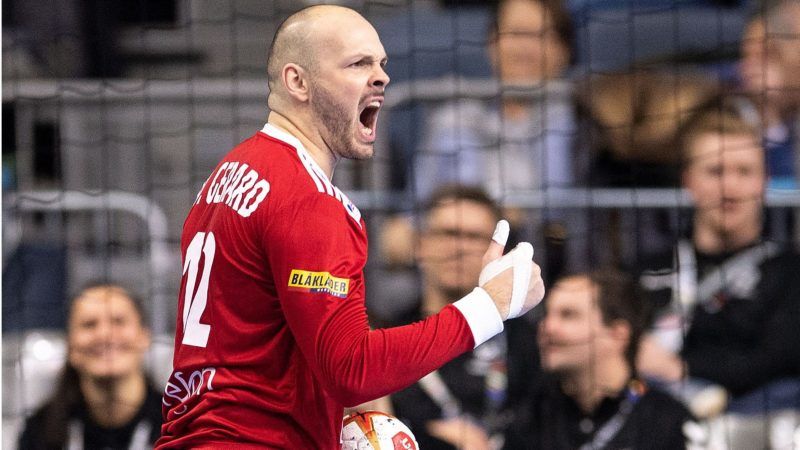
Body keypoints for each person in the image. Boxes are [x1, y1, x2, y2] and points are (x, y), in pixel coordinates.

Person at [155, 5, 545, 449]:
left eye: (382, 64)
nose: (382, 78)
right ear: (297, 82)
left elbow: (272, 345)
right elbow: (352, 371)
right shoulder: (308, 200)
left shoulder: (228, 173)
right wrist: (491, 305)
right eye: (358, 64)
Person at [636, 104, 800, 414]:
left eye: (744, 171)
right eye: (715, 171)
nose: (730, 187)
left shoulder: (789, 273)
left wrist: (680, 368)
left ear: (764, 181)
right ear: (689, 181)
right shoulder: (647, 269)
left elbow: (779, 358)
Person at [388, 185, 539, 450]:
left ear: (497, 252)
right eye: (449, 234)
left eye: (474, 237)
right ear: (420, 245)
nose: (459, 247)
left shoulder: (525, 341)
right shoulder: (390, 337)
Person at [505, 270, 695, 449]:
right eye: (546, 314)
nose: (547, 327)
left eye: (568, 315)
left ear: (617, 334)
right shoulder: (531, 418)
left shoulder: (667, 421)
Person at [414, 0, 576, 199]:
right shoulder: (455, 115)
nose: (526, 49)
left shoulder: (582, 120)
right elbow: (418, 203)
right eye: (517, 33)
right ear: (492, 42)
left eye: (541, 35)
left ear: (565, 51)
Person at [18, 283, 163, 449]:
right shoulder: (41, 431)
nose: (104, 335)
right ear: (70, 345)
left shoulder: (178, 423)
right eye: (89, 324)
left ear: (144, 337)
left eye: (118, 321)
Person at [737, 1, 800, 189]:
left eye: (768, 55)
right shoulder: (732, 115)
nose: (751, 67)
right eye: (746, 55)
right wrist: (769, 117)